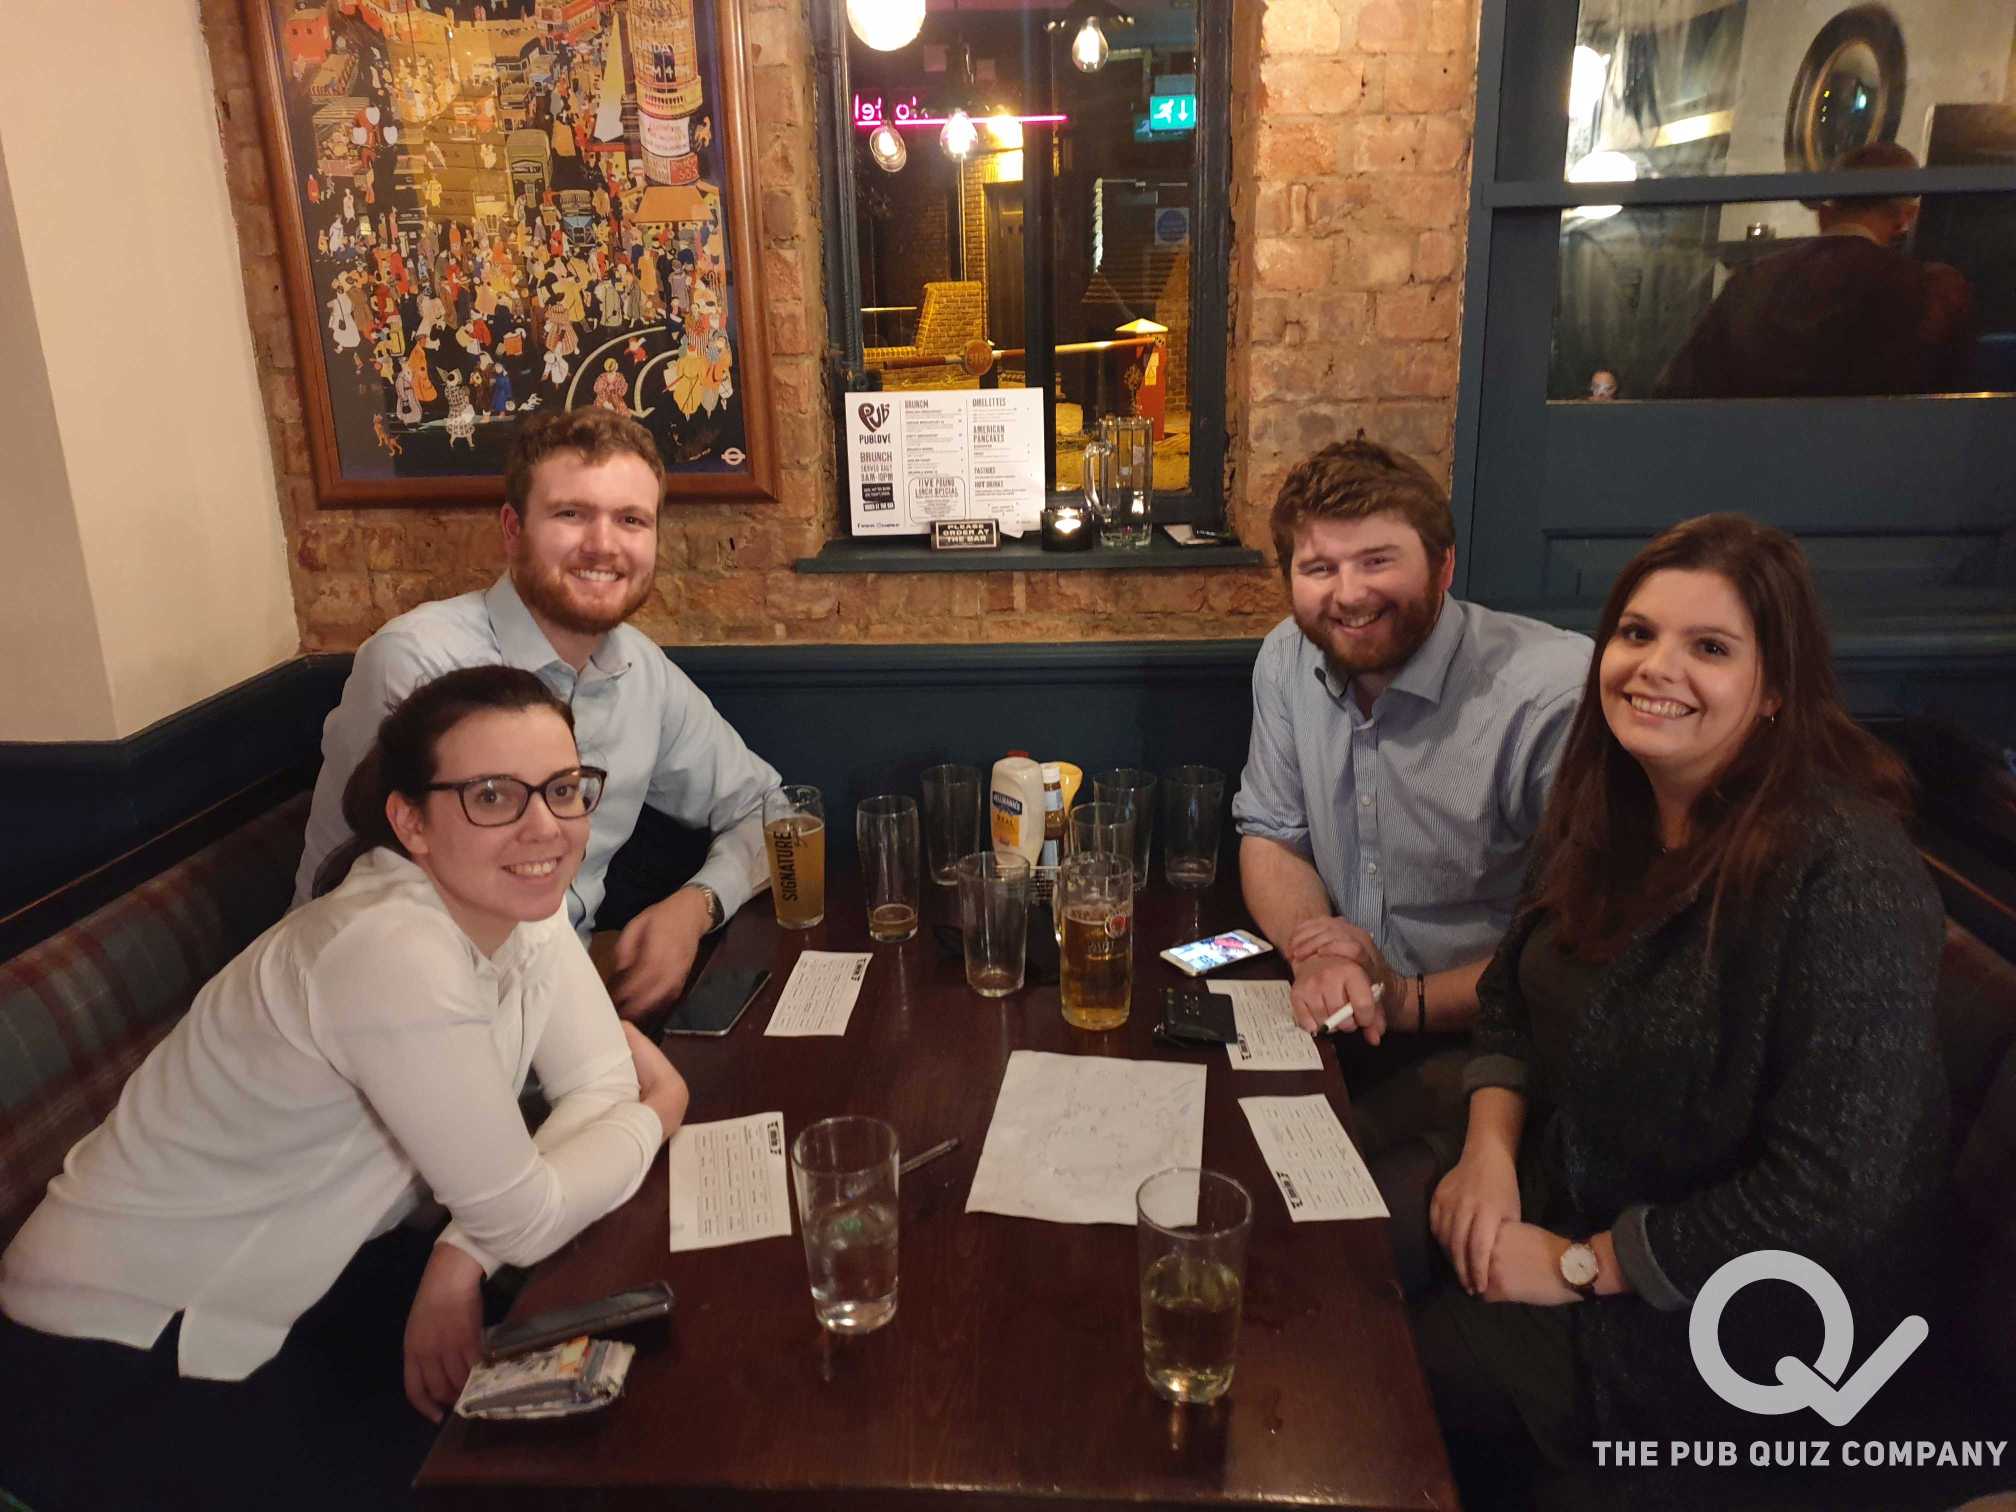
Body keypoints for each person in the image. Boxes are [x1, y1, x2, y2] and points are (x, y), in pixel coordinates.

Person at [0, 667, 690, 1511]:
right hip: (122, 1341)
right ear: (411, 822)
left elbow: (597, 1085)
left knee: (602, 1417)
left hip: (317, 1270)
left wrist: (459, 1257)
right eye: (493, 796)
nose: (544, 825)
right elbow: (535, 1201)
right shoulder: (389, 947)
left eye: (563, 789)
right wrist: (661, 1112)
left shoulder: (523, 902)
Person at [1406, 515, 1948, 1505]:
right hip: (1563, 1185)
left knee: (1395, 1380)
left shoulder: (1847, 873)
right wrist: (1488, 1150)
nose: (1657, 668)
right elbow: (1512, 995)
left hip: (1731, 1325)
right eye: (1638, 633)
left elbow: (1834, 1193)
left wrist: (1583, 1265)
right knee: (1338, 1249)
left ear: (1776, 688)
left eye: (1710, 648)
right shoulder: (1612, 800)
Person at [293, 407, 780, 1017]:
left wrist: (696, 907)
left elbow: (771, 810)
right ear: (513, 528)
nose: (603, 544)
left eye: (631, 519)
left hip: (554, 1007)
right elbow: (402, 923)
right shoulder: (419, 663)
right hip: (385, 1015)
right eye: (570, 514)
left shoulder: (640, 670)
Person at [1233, 436, 1590, 1128]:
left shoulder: (1550, 697)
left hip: (1497, 1044)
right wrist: (1319, 952)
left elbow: (1577, 946)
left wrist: (1403, 1001)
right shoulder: (1286, 657)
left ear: (1443, 565)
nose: (1349, 594)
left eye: (1377, 561)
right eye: (1320, 567)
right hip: (1341, 1014)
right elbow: (1273, 835)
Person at [1656, 142, 1975, 398]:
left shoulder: (1751, 282)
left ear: (1824, 214)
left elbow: (1678, 389)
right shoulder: (1932, 291)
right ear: (1906, 217)